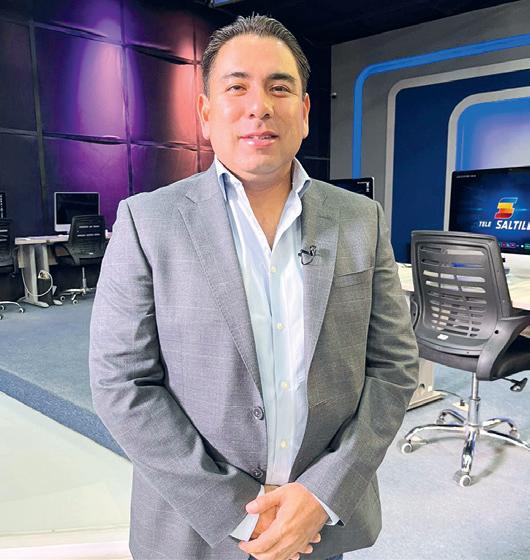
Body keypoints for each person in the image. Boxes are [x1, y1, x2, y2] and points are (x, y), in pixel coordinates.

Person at [89, 14, 419, 560]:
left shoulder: (362, 219)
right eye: (236, 87)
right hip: (195, 530)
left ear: (305, 112)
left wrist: (323, 492)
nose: (258, 106)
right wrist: (239, 513)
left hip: (318, 524)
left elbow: (393, 367)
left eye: (279, 87)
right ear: (205, 113)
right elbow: (122, 383)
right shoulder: (148, 223)